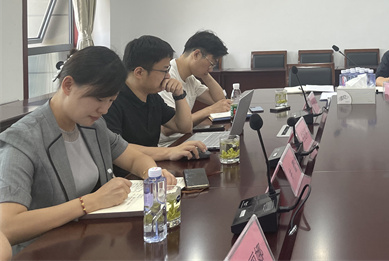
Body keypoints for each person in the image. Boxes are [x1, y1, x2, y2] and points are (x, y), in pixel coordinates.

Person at [0, 46, 176, 250]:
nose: (105, 109)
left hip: (88, 242)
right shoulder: (23, 139)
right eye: (99, 99)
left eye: (111, 100)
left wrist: (152, 174)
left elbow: (134, 158)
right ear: (68, 85)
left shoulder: (93, 125)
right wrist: (88, 203)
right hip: (44, 250)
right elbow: (8, 226)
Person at [103, 35, 206, 174]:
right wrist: (168, 152)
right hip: (126, 176)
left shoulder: (152, 96)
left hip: (151, 169)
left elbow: (185, 127)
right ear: (139, 72)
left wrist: (179, 95)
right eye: (164, 70)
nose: (168, 76)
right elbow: (117, 148)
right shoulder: (112, 101)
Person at [159, 30, 231, 145]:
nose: (211, 69)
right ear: (196, 54)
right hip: (169, 145)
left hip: (186, 138)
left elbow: (219, 100)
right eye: (211, 64)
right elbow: (167, 129)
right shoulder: (167, 77)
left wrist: (205, 74)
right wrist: (210, 110)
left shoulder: (190, 78)